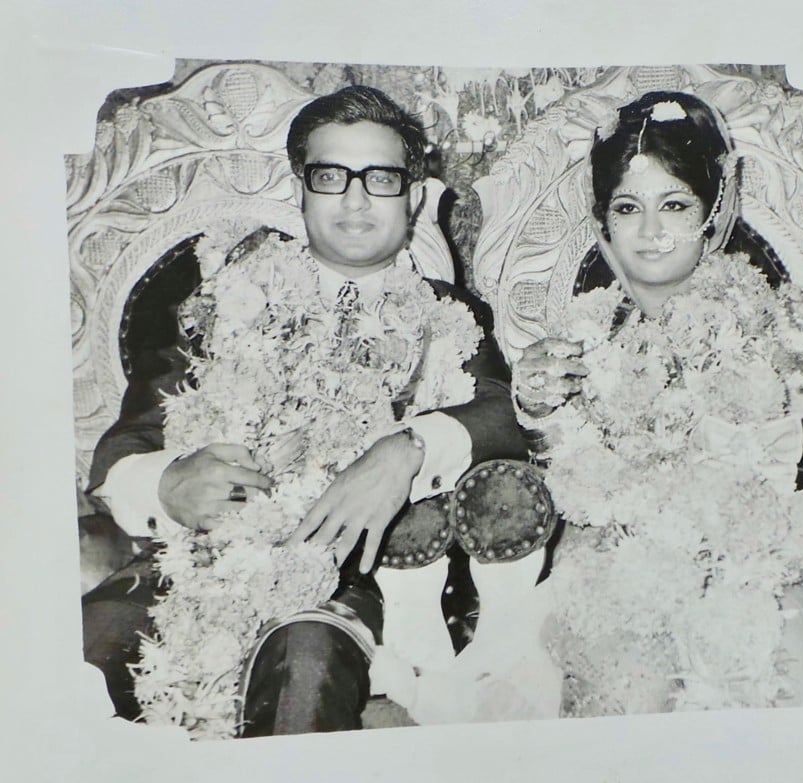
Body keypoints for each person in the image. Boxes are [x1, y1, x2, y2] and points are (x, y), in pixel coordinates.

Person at [81, 85, 526, 736]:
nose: (353, 199)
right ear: (301, 191)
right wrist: (169, 483)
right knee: (78, 642)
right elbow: (122, 450)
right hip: (189, 568)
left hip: (350, 580)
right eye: (330, 175)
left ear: (415, 197)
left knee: (305, 657)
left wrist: (408, 448)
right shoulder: (218, 298)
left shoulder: (449, 317)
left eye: (379, 177)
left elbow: (505, 417)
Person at [512, 91, 803, 716]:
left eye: (675, 205)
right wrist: (539, 410)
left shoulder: (771, 320)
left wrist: (796, 398)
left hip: (762, 547)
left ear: (713, 211)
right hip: (624, 555)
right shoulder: (581, 337)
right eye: (628, 208)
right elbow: (568, 477)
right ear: (603, 220)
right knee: (627, 678)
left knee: (781, 655)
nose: (652, 232)